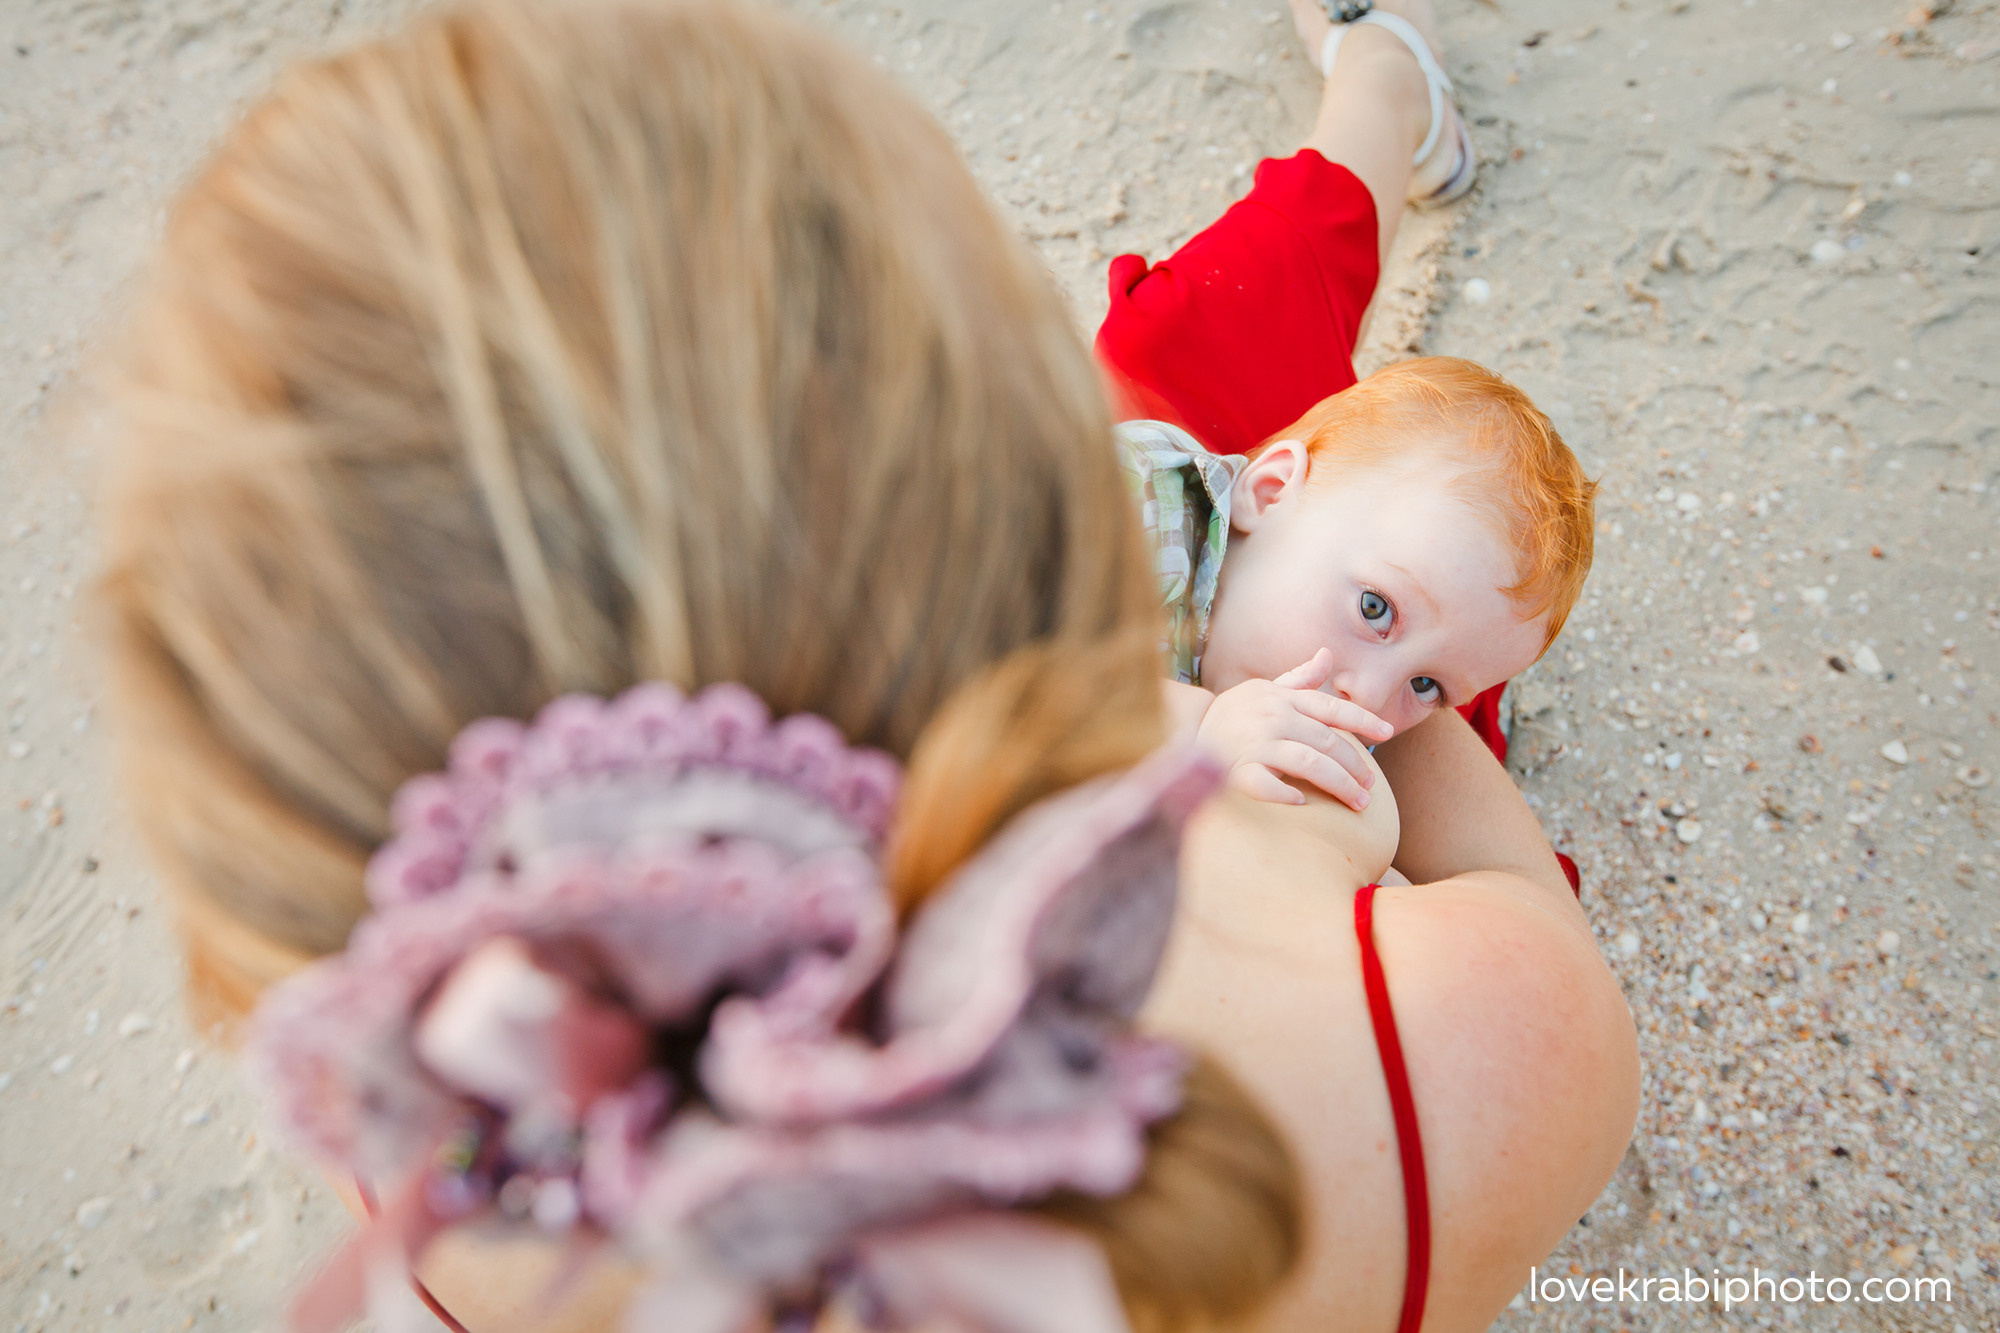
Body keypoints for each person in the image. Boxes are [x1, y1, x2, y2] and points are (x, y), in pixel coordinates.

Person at [97, 2, 1638, 1332]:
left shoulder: (444, 1157)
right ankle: (1375, 98)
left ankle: (1374, 108)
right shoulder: (1493, 1050)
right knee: (1224, 332)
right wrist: (1346, 700)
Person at [1102, 0, 1594, 847]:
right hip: (1191, 409)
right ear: (1268, 486)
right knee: (1230, 304)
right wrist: (1191, 729)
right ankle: (1389, 74)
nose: (1370, 700)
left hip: (1324, 530)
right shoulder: (1126, 515)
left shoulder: (1391, 694)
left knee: (1456, 673)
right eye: (1373, 609)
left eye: (1426, 686)